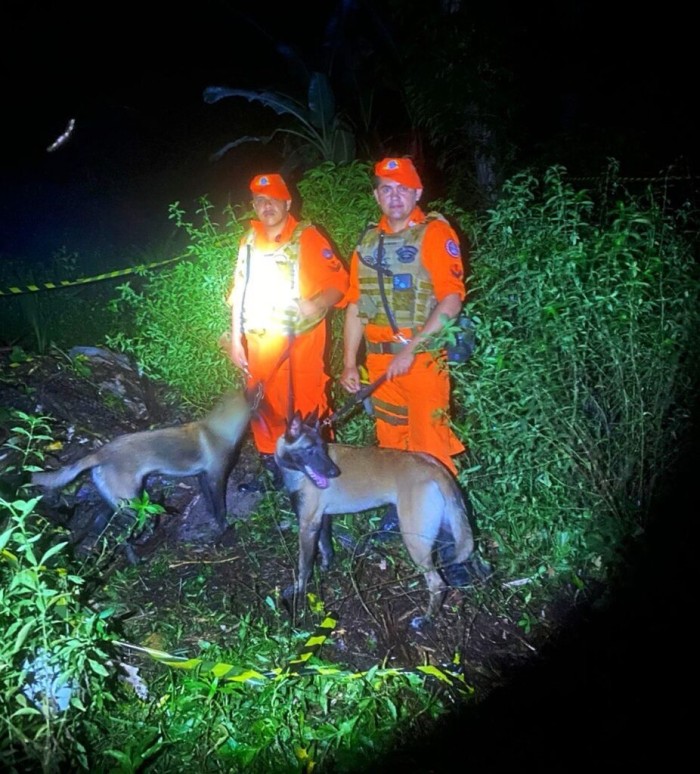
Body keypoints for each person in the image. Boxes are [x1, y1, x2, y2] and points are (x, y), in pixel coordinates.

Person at [340, 157, 466, 530]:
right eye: (386, 189)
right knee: (392, 447)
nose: (395, 197)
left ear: (418, 193)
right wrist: (349, 362)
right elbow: (354, 307)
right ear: (376, 194)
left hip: (422, 360)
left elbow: (451, 301)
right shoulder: (366, 243)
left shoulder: (435, 234)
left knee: (431, 450)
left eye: (403, 189)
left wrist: (410, 350)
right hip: (380, 366)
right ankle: (404, 517)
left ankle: (449, 535)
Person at [229, 173, 349, 489]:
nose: (266, 206)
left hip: (300, 348)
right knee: (263, 410)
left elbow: (340, 283)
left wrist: (315, 303)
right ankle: (274, 469)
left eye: (273, 199)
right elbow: (238, 291)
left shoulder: (307, 238)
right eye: (259, 200)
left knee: (307, 411)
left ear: (287, 202)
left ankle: (320, 472)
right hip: (259, 347)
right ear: (253, 205)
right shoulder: (249, 242)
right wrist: (234, 339)